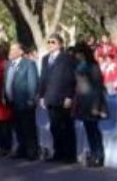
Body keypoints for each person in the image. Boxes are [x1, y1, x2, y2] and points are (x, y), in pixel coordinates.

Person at [39, 34, 77, 164]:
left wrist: (69, 96)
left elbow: (71, 79)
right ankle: (58, 152)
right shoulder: (45, 59)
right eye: (49, 42)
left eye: (53, 42)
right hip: (50, 98)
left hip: (63, 98)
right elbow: (43, 79)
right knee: (54, 127)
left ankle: (70, 155)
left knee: (66, 127)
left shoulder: (67, 58)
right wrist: (42, 96)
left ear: (60, 44)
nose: (50, 44)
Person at [73, 43, 108, 168]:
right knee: (88, 129)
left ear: (82, 53)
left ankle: (99, 155)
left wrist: (96, 106)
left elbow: (98, 87)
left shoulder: (93, 66)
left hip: (92, 100)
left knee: (94, 130)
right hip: (83, 100)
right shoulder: (79, 65)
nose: (75, 55)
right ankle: (94, 154)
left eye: (77, 53)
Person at [4, 43, 39, 160]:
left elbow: (33, 82)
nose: (10, 51)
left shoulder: (28, 64)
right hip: (12, 103)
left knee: (28, 127)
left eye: (13, 49)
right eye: (10, 49)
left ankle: (32, 151)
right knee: (18, 128)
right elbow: (6, 82)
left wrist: (31, 99)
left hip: (25, 102)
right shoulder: (9, 65)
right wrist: (5, 96)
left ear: (21, 52)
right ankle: (22, 149)